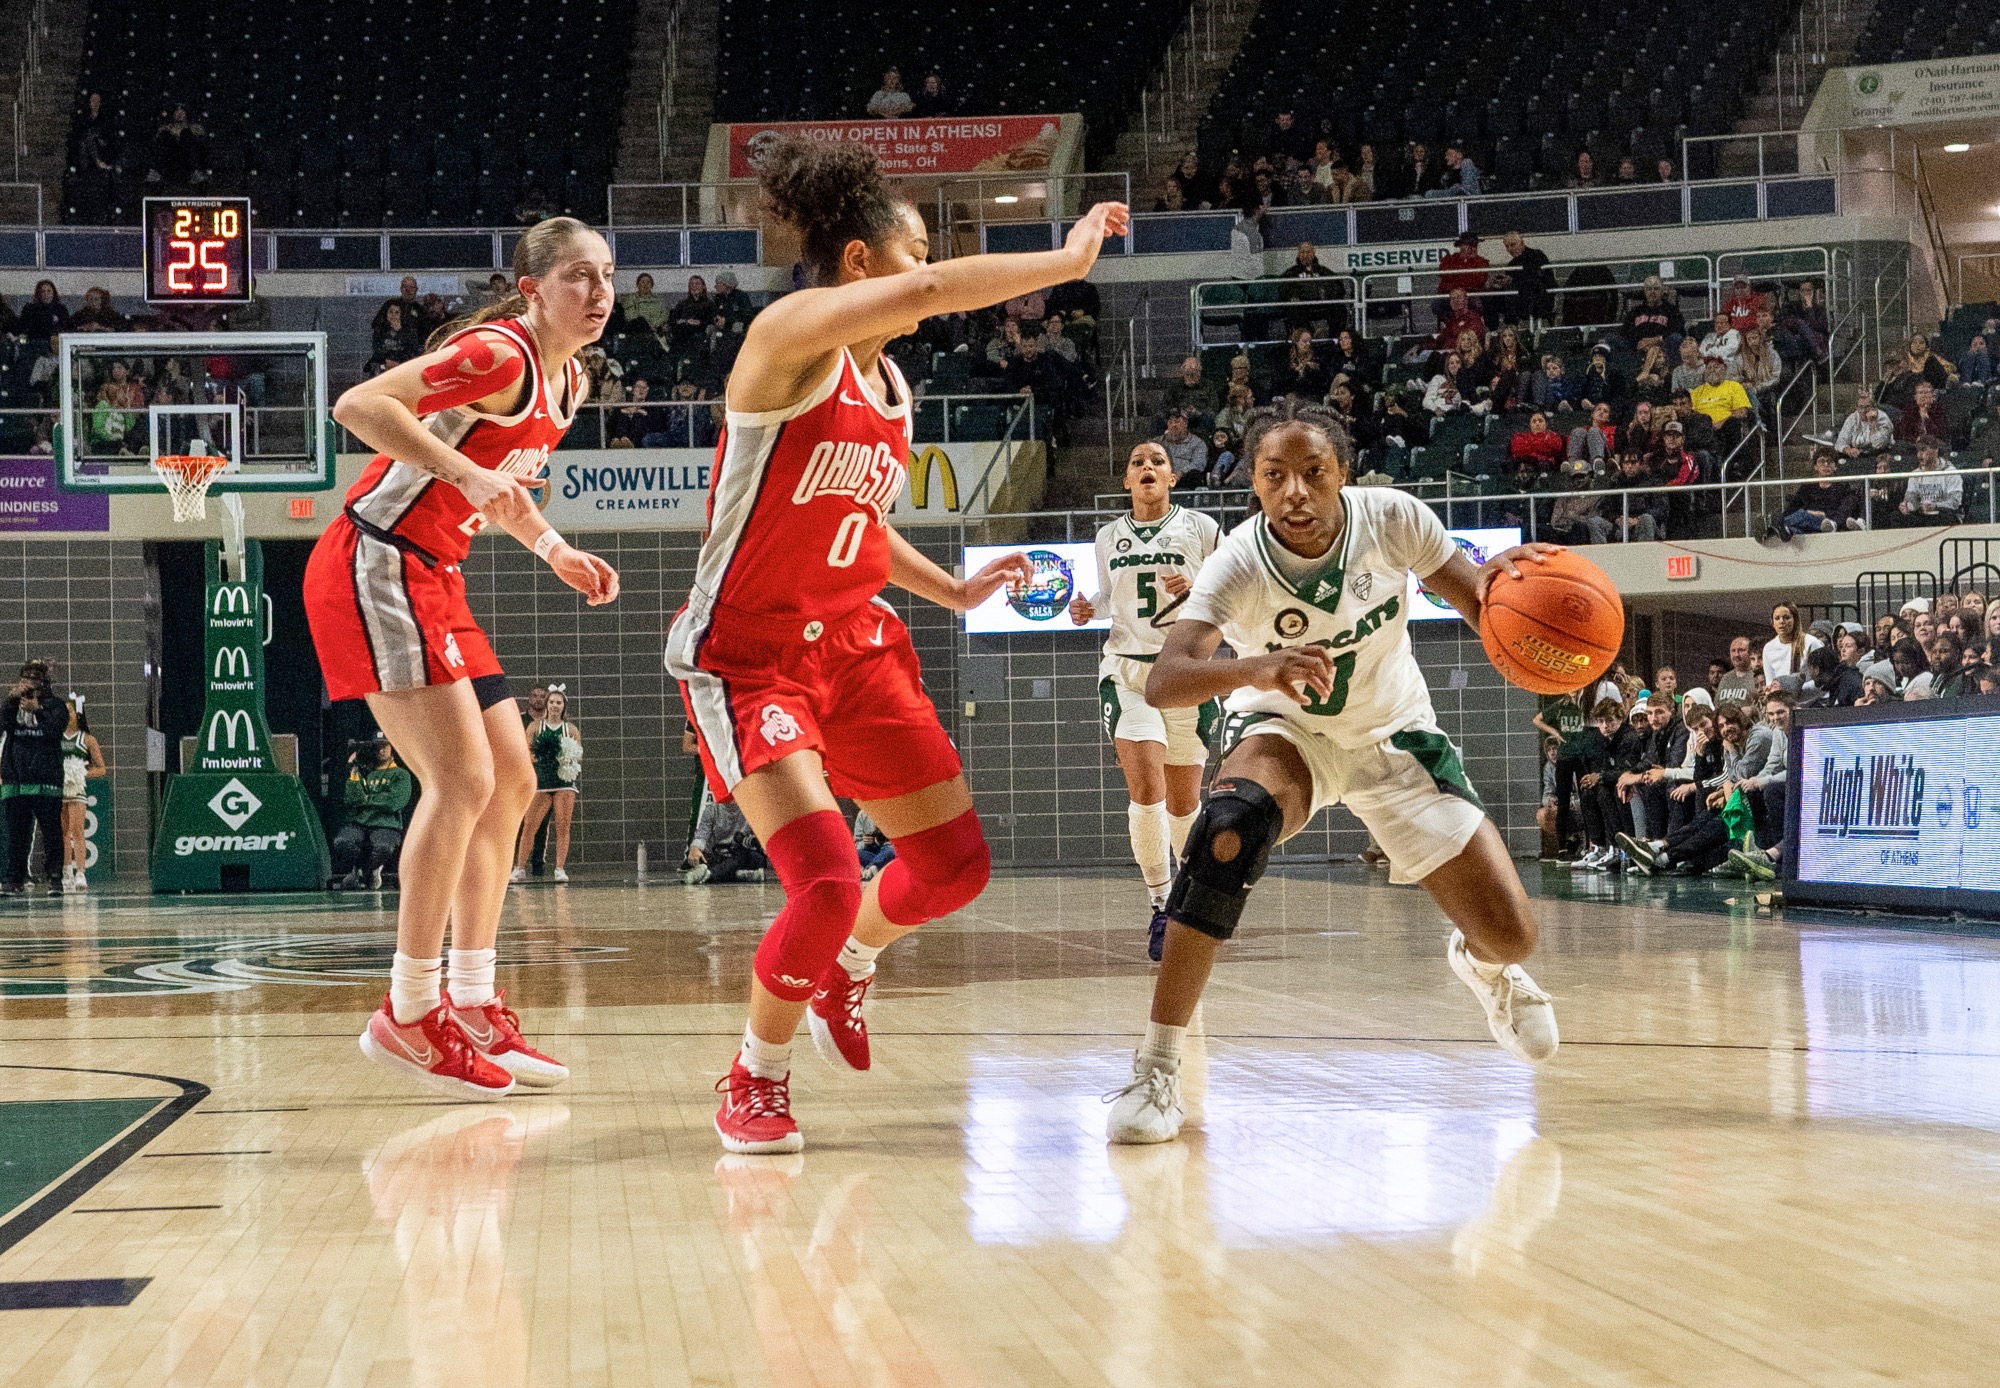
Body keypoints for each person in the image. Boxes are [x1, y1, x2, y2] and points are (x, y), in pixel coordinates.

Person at [664, 135, 1128, 1154]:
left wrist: (951, 586)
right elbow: (955, 287)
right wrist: (1064, 259)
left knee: (952, 866)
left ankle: (853, 962)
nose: (929, 273)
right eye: (916, 253)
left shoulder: (892, 392)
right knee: (825, 878)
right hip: (748, 655)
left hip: (856, 643)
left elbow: (857, 523)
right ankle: (754, 1071)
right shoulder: (787, 336)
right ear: (863, 264)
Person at [1104, 402, 1561, 1145]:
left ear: (1341, 474)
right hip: (1292, 733)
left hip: (1395, 735)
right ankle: (1158, 1066)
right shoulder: (1240, 560)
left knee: (1512, 934)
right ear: (1252, 481)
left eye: (1313, 474)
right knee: (1228, 829)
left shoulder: (1392, 519)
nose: (1295, 493)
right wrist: (1258, 668)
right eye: (1274, 476)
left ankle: (1487, 971)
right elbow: (1166, 680)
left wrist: (1510, 594)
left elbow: (1474, 598)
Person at [303, 217, 622, 1100]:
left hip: (436, 572)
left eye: (605, 275)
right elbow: (359, 407)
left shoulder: (571, 379)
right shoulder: (499, 356)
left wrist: (554, 547)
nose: (597, 293)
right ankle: (407, 1012)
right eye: (575, 277)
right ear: (531, 289)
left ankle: (475, 1002)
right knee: (462, 782)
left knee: (513, 780)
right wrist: (463, 473)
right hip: (376, 559)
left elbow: (503, 488)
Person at [1069, 443, 1223, 958]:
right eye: (1137, 462)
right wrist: (1087, 607)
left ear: (1173, 477)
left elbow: (1233, 592)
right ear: (1127, 481)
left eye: (1157, 461)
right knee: (1147, 788)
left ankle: (1187, 900)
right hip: (1129, 671)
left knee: (1184, 806)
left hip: (1186, 674)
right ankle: (1160, 906)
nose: (1147, 468)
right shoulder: (1108, 535)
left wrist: (1197, 584)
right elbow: (1109, 596)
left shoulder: (1201, 528)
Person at [0, 673, 66, 896]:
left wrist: (37, 709)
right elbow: (2, 724)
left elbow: (55, 730)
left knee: (51, 832)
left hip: (46, 780)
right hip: (16, 781)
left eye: (33, 681)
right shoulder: (12, 706)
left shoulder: (56, 706)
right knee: (16, 834)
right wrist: (11, 700)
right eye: (24, 680)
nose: (28, 685)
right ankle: (13, 878)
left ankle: (55, 878)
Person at [511, 686, 581, 884]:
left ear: (564, 706)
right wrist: (545, 757)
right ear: (547, 705)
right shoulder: (534, 727)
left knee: (563, 826)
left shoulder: (571, 729)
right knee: (529, 826)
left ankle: (559, 868)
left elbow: (577, 755)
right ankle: (520, 868)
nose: (555, 706)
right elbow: (527, 753)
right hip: (541, 781)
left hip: (564, 782)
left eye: (559, 702)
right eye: (552, 702)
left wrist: (563, 759)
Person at [332, 736, 415, 890]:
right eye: (377, 747)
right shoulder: (363, 772)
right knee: (342, 842)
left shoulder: (400, 774)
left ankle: (364, 872)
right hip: (359, 823)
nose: (381, 750)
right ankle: (365, 871)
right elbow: (351, 799)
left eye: (385, 746)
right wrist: (354, 770)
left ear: (392, 747)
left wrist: (366, 799)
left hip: (386, 824)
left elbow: (394, 803)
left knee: (384, 847)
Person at [59, 696, 105, 894]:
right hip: (59, 789)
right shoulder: (56, 736)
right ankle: (66, 871)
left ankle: (81, 873)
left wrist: (80, 773)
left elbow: (102, 768)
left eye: (69, 710)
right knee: (62, 832)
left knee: (77, 830)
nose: (66, 715)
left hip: (77, 789)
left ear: (78, 714)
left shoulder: (87, 739)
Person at [1770, 447, 1861, 539]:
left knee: (1802, 514)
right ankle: (1784, 530)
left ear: (1835, 467)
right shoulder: (1807, 488)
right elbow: (1792, 508)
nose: (1826, 464)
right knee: (1793, 530)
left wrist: (1824, 514)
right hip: (1807, 525)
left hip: (1828, 523)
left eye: (1830, 462)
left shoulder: (1843, 487)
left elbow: (1844, 512)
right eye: (1821, 461)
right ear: (1816, 467)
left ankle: (1773, 526)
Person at [1899, 437, 1962, 526]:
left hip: (1943, 513)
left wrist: (1936, 506)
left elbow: (1955, 502)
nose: (1919, 455)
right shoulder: (1916, 473)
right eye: (1918, 451)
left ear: (1936, 450)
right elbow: (1911, 496)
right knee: (1897, 516)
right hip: (1923, 514)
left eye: (1923, 450)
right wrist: (1906, 504)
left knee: (1944, 517)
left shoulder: (1951, 472)